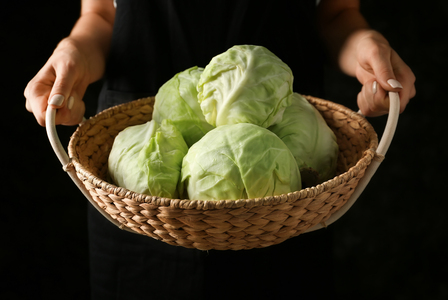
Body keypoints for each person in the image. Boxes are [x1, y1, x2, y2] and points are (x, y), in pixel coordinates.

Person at [25, 0, 416, 299]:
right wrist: (72, 50)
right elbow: (101, 15)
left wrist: (369, 45)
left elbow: (337, 14)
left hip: (286, 181)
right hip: (140, 181)